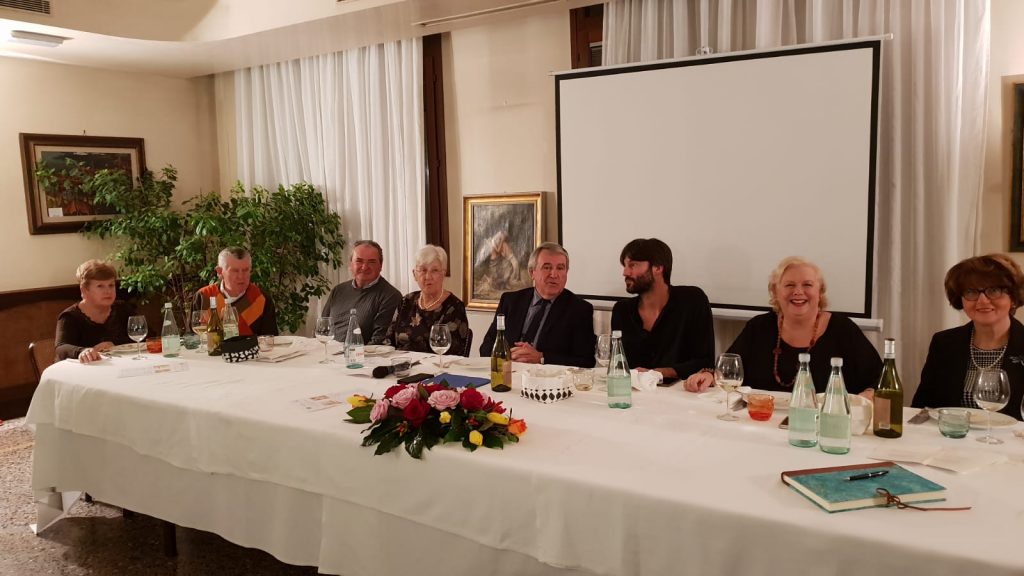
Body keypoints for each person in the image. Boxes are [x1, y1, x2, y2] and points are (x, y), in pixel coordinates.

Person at [684, 256, 881, 394]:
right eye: (789, 285)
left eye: (807, 285)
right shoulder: (759, 327)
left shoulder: (843, 330)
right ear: (775, 292)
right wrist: (708, 376)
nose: (798, 292)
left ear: (820, 292)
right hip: (759, 421)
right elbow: (728, 372)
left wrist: (868, 395)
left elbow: (879, 381)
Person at [912, 254, 1024, 420]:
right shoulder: (944, 343)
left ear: (1013, 298)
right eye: (971, 292)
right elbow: (923, 407)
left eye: (994, 290)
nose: (982, 300)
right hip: (951, 434)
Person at [610, 238, 714, 383]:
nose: (625, 272)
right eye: (625, 266)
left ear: (658, 268)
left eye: (633, 265)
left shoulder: (692, 301)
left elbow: (705, 363)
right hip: (633, 392)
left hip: (683, 392)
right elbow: (618, 365)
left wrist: (658, 373)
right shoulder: (622, 310)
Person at [479, 242, 596, 367]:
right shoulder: (510, 302)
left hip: (549, 377)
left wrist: (541, 357)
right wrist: (507, 355)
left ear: (566, 272)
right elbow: (486, 347)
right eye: (547, 267)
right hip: (509, 372)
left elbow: (586, 361)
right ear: (532, 272)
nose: (554, 274)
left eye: (560, 268)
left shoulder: (580, 310)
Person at [385, 245, 472, 355]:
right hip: (400, 363)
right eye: (423, 270)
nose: (428, 277)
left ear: (443, 274)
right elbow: (388, 341)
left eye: (434, 270)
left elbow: (452, 353)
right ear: (414, 274)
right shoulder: (406, 301)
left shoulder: (454, 307)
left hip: (436, 365)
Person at [322, 240, 402, 345]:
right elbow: (323, 329)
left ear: (380, 266)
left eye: (371, 262)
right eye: (359, 261)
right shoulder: (338, 290)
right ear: (351, 264)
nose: (364, 267)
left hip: (361, 354)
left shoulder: (390, 296)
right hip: (329, 352)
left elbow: (378, 342)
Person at [55, 260, 135, 362]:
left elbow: (147, 336)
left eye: (111, 285)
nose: (108, 291)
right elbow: (61, 348)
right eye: (100, 286)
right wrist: (82, 351)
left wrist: (115, 343)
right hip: (81, 369)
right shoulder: (69, 316)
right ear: (84, 290)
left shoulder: (123, 308)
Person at [193, 247, 279, 336]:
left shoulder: (261, 299)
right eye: (234, 271)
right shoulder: (204, 296)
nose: (241, 276)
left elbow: (270, 339)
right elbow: (192, 338)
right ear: (219, 272)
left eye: (245, 270)